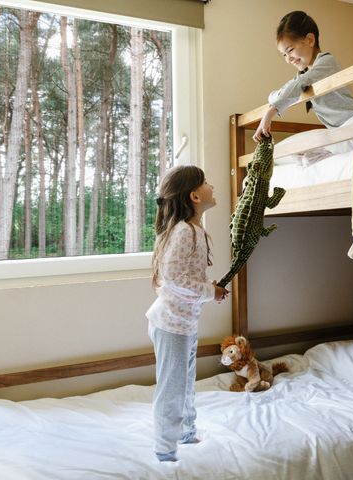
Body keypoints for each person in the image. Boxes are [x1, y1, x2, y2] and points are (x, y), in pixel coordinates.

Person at [147, 165, 229, 462]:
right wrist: (210, 291)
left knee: (184, 382)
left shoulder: (194, 231)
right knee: (172, 388)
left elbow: (186, 277)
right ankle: (165, 450)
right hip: (171, 325)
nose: (212, 186)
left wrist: (210, 288)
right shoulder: (184, 231)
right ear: (195, 196)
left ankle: (186, 431)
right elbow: (174, 278)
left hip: (183, 323)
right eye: (206, 182)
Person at [253, 10, 353, 144]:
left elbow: (298, 84)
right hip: (340, 130)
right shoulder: (304, 75)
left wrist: (269, 113)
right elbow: (286, 89)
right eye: (284, 55)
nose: (288, 59)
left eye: (290, 50)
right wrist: (272, 99)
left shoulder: (326, 62)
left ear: (310, 40)